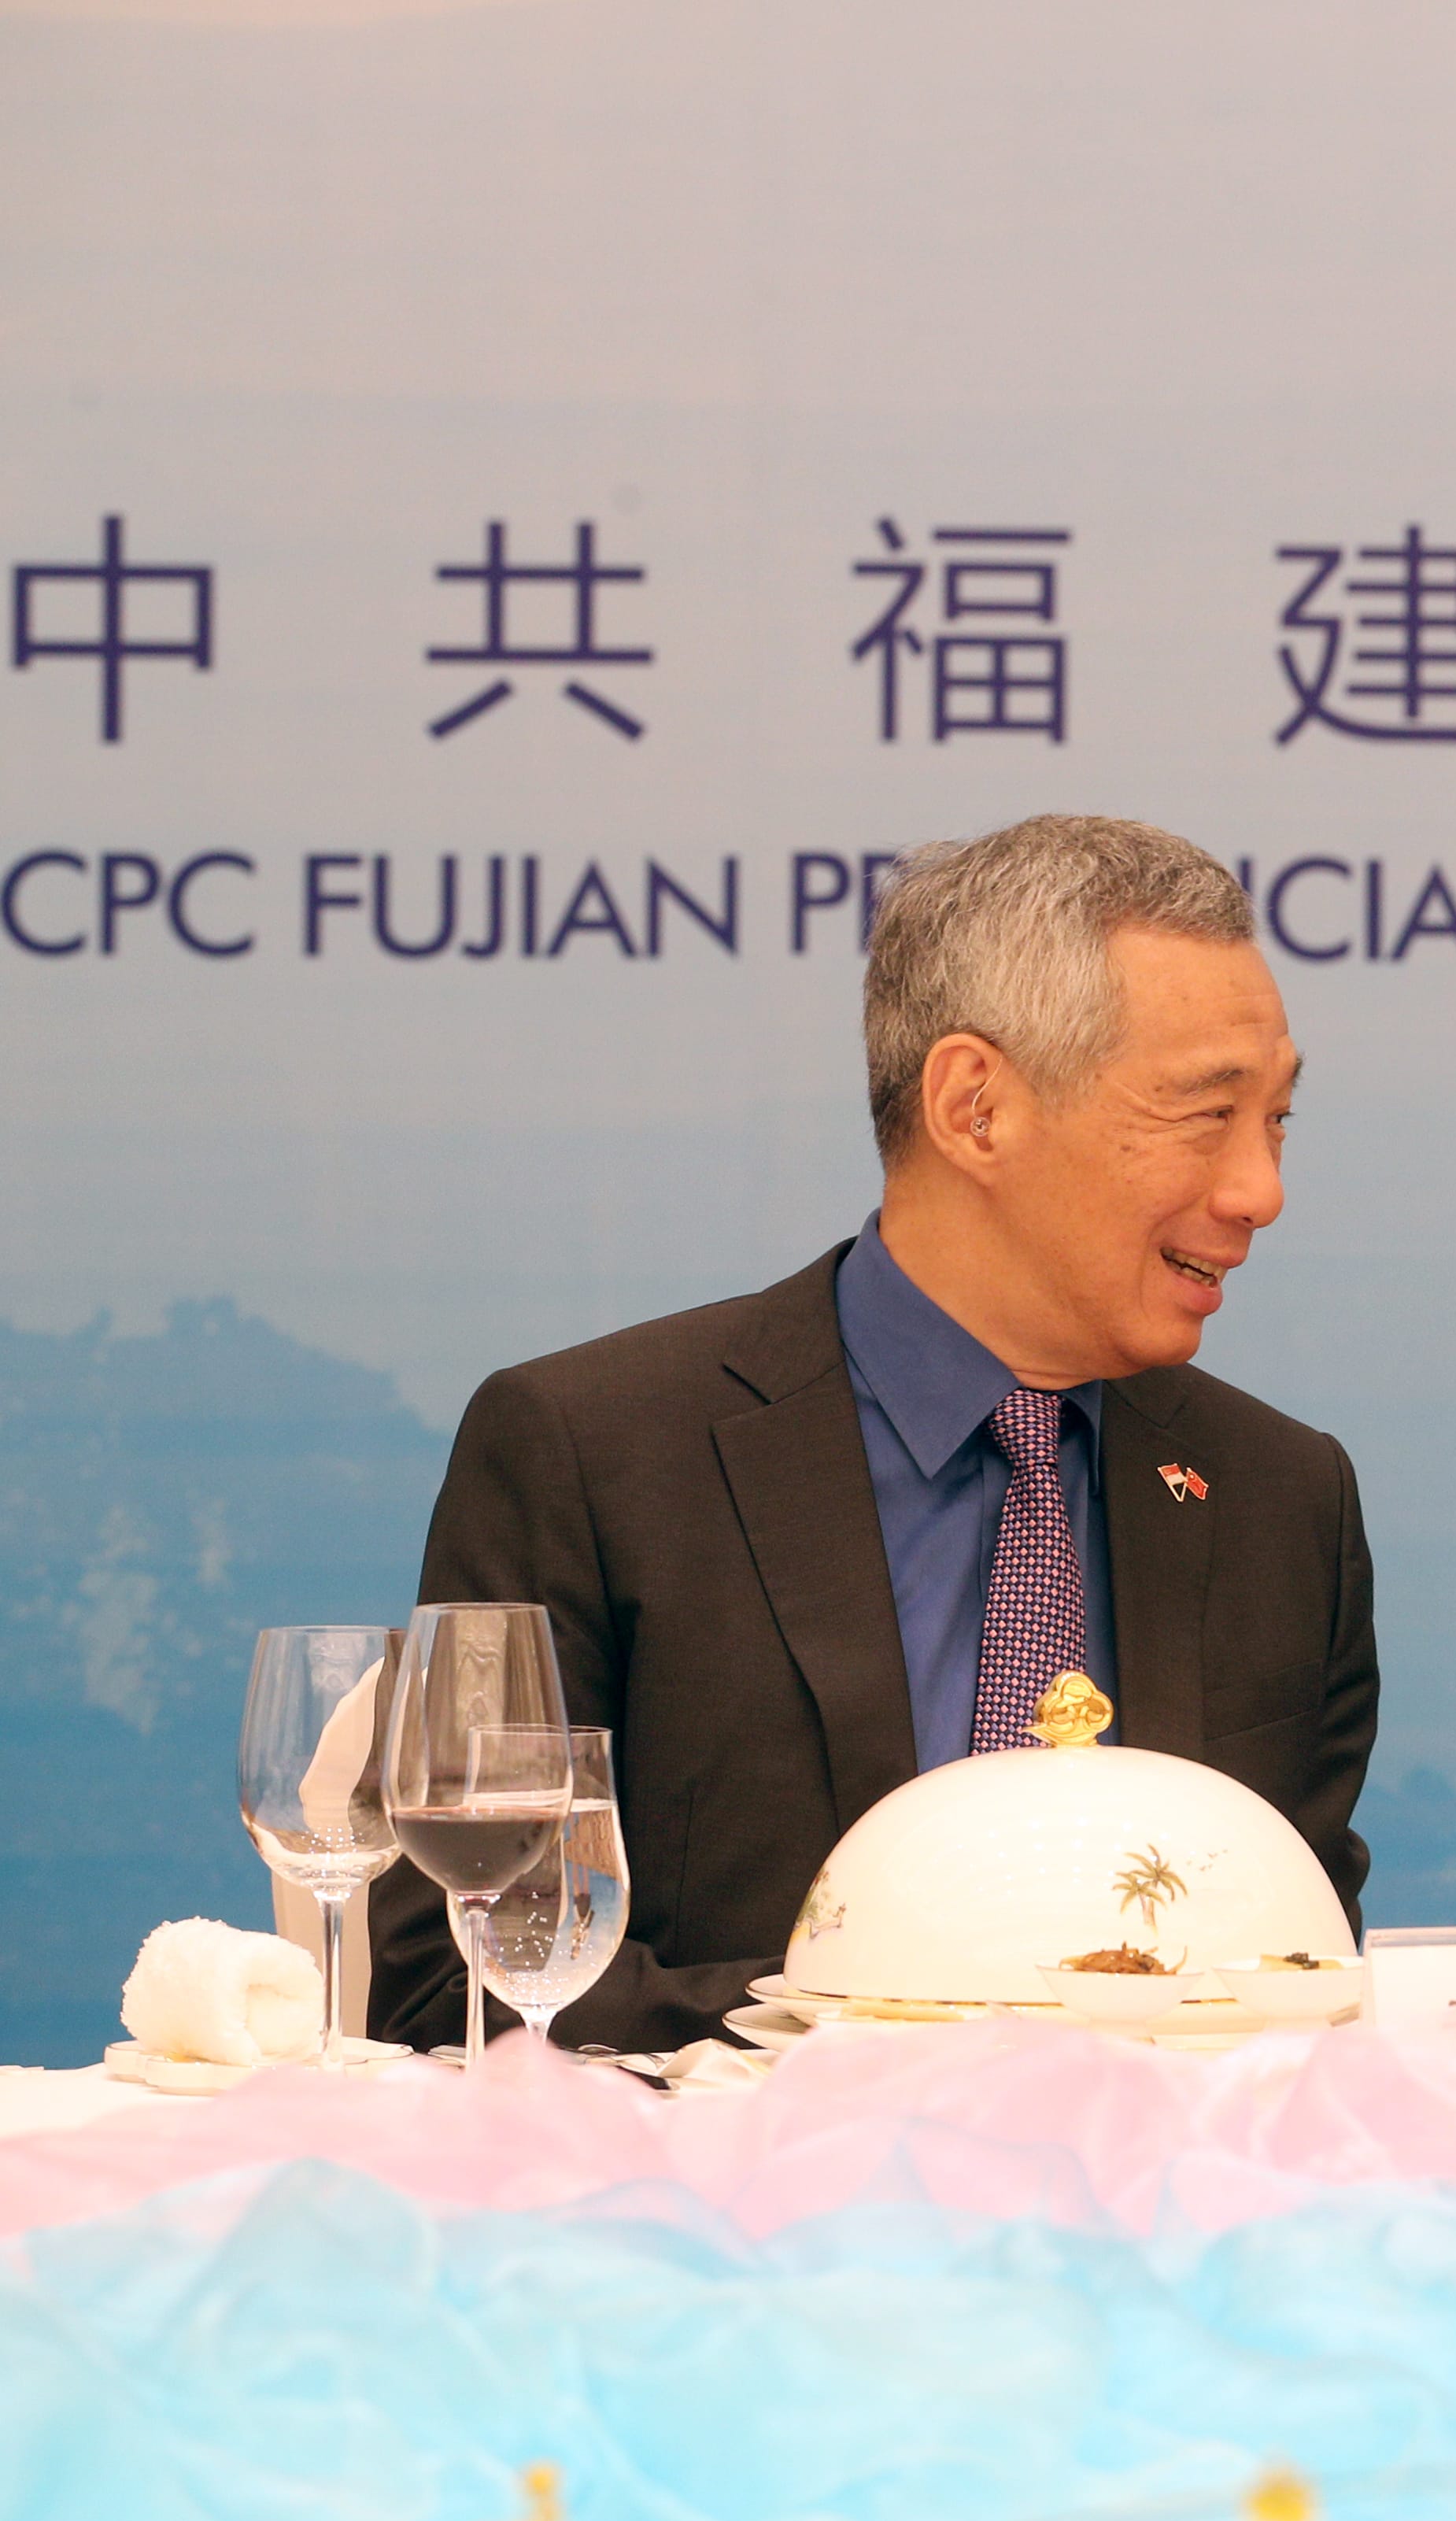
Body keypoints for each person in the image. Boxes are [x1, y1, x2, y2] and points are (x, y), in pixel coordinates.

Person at [370, 816, 1379, 2052]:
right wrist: (916, 2031)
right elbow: (452, 1979)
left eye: (1275, 1120)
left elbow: (1302, 1973)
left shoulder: (1283, 1499)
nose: (1257, 1190)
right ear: (976, 1108)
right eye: (1203, 1115)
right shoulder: (594, 1455)